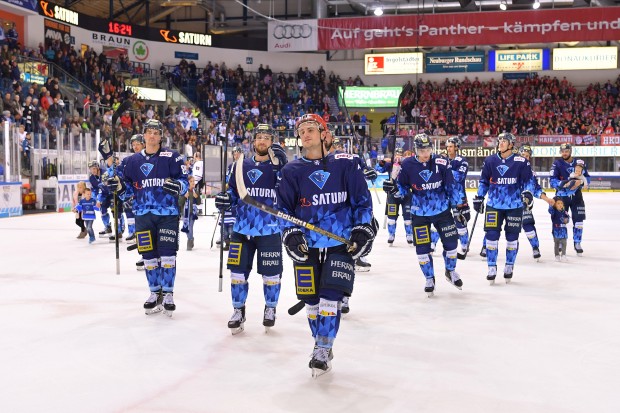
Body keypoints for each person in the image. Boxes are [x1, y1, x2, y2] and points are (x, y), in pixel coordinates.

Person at [277, 113, 375, 377]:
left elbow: (362, 202)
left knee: (330, 297)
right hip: (307, 246)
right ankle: (320, 341)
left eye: (311, 129)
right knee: (311, 300)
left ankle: (322, 347)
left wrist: (363, 228)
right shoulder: (291, 171)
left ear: (324, 134)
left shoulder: (346, 164)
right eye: (302, 130)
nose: (305, 134)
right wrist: (291, 233)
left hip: (339, 244)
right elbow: (283, 210)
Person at [108, 119, 188, 317]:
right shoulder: (131, 161)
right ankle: (154, 292)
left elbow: (185, 181)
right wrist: (117, 187)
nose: (152, 135)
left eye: (156, 132)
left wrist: (180, 186)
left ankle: (168, 293)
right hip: (143, 215)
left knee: (168, 256)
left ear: (161, 136)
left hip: (167, 214)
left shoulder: (172, 157)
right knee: (149, 257)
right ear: (143, 135)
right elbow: (124, 190)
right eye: (149, 132)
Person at [215, 124, 288, 334]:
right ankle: (238, 310)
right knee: (237, 274)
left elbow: (287, 194)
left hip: (270, 229)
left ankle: (270, 308)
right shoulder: (239, 165)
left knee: (272, 275)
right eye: (259, 137)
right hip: (242, 229)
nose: (262, 141)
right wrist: (225, 200)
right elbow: (232, 192)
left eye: (267, 137)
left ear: (272, 141)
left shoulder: (280, 167)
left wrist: (281, 170)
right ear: (253, 141)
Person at [384, 133, 464, 297]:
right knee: (422, 249)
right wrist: (394, 189)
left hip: (442, 211)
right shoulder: (407, 165)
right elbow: (403, 188)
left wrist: (458, 207)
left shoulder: (442, 162)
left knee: (451, 245)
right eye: (421, 150)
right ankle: (429, 278)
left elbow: (451, 186)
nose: (425, 153)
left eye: (428, 149)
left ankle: (450, 271)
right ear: (415, 150)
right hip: (419, 213)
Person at [473, 133, 554, 285]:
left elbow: (529, 181)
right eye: (500, 140)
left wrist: (528, 193)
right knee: (491, 236)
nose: (501, 143)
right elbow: (484, 181)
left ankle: (509, 266)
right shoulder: (490, 160)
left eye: (504, 141)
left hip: (514, 206)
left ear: (511, 144)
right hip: (494, 205)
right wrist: (479, 197)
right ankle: (491, 267)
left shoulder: (521, 161)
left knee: (512, 238)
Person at [550, 143, 590, 256]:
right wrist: (564, 183)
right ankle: (560, 243)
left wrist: (581, 182)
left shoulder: (580, 162)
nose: (564, 153)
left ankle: (577, 243)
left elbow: (588, 178)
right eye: (562, 151)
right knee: (561, 220)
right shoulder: (556, 164)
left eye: (566, 151)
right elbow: (552, 181)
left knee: (579, 221)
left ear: (570, 151)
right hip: (562, 198)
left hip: (577, 197)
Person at [377, 148, 413, 246]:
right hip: (392, 195)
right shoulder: (390, 164)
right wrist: (382, 162)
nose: (399, 156)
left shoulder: (408, 164)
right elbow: (379, 168)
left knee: (408, 219)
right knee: (391, 219)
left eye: (401, 154)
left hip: (406, 195)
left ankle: (409, 235)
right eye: (397, 154)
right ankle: (391, 235)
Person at [445, 137, 471, 258]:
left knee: (460, 222)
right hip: (444, 196)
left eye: (451, 146)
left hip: (458, 196)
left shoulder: (462, 161)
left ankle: (464, 245)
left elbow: (459, 177)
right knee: (440, 220)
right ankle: (433, 245)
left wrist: (446, 170)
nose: (448, 148)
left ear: (456, 147)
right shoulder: (443, 160)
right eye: (447, 146)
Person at [118, 134, 145, 243]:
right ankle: (132, 232)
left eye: (137, 144)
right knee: (128, 211)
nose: (135, 147)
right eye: (133, 145)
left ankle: (140, 234)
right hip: (131, 193)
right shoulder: (127, 160)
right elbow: (119, 173)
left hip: (145, 195)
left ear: (143, 144)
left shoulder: (150, 159)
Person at [87, 160, 112, 237]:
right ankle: (107, 227)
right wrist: (96, 199)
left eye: (94, 168)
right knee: (102, 210)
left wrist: (99, 199)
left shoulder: (105, 173)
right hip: (103, 195)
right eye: (91, 169)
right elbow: (94, 190)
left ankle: (120, 230)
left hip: (111, 193)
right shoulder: (91, 178)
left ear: (98, 167)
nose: (93, 170)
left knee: (116, 211)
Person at [182, 175, 200, 251]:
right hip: (185, 213)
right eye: (191, 181)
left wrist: (197, 197)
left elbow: (199, 203)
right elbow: (180, 202)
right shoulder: (184, 191)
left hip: (193, 213)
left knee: (190, 227)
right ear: (188, 182)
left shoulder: (195, 191)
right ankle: (191, 238)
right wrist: (184, 197)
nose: (193, 183)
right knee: (186, 228)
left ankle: (189, 242)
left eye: (194, 181)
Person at [549, 196, 570, 262]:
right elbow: (550, 210)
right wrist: (551, 204)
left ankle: (563, 255)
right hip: (556, 230)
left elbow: (568, 217)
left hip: (563, 230)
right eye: (558, 203)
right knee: (557, 243)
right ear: (555, 204)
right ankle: (557, 255)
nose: (560, 205)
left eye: (561, 203)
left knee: (564, 242)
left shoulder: (564, 212)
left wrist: (567, 220)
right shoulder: (554, 212)